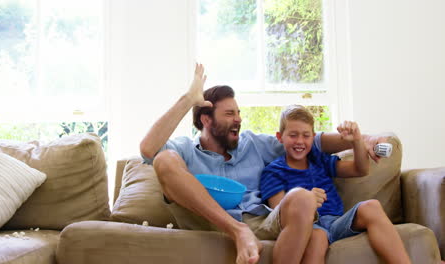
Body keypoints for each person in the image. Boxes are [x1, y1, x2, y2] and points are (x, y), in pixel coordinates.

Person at [140, 64, 387, 264]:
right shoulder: (184, 149)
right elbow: (148, 149)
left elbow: (311, 141)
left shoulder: (253, 144)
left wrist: (363, 139)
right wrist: (188, 99)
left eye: (238, 113)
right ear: (206, 119)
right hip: (211, 221)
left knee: (301, 197)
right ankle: (238, 231)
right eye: (229, 114)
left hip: (261, 220)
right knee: (163, 159)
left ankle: (244, 231)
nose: (238, 119)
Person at [259, 104, 411, 264]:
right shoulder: (273, 171)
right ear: (279, 137)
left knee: (371, 206)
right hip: (310, 227)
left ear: (313, 137)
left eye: (306, 135)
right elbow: (279, 214)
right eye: (293, 135)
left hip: (336, 222)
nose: (300, 141)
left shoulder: (318, 159)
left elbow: (360, 169)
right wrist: (307, 202)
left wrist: (357, 140)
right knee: (318, 237)